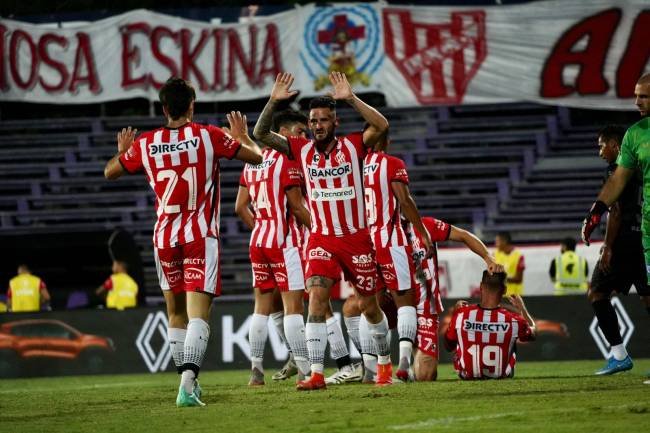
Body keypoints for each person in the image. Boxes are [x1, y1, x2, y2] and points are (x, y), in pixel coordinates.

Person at [104, 77, 262, 407]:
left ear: (163, 109)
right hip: (199, 236)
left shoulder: (146, 143)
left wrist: (123, 153)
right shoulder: (209, 135)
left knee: (175, 313)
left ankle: (186, 382)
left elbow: (110, 172)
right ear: (192, 105)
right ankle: (188, 386)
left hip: (165, 238)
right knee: (199, 315)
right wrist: (243, 137)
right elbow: (258, 159)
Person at [254, 72, 392, 390]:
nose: (317, 125)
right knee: (316, 298)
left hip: (356, 238)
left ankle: (384, 363)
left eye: (324, 120)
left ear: (335, 123)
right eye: (313, 120)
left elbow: (382, 126)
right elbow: (261, 133)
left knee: (369, 307)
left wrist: (351, 98)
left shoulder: (354, 145)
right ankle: (316, 373)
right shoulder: (300, 149)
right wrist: (274, 101)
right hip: (321, 238)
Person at [235, 110, 312, 385]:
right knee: (293, 307)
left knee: (261, 308)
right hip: (283, 241)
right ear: (283, 133)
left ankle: (256, 371)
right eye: (299, 132)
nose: (304, 137)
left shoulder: (252, 163)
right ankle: (304, 369)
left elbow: (239, 206)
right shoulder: (287, 161)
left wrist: (260, 226)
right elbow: (296, 207)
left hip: (258, 241)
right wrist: (319, 229)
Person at [361, 134, 433, 382]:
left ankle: (371, 369)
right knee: (405, 302)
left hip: (365, 242)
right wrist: (422, 233)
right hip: (391, 241)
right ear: (386, 140)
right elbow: (404, 200)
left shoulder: (356, 166)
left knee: (370, 304)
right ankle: (404, 364)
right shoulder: (392, 163)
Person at [585, 124, 649, 375]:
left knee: (597, 292)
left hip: (625, 242)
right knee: (648, 297)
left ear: (615, 146)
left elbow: (616, 210)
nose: (600, 152)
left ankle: (619, 354)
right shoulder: (643, 166)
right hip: (644, 238)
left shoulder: (618, 169)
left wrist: (608, 246)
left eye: (602, 146)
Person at [406, 217, 502, 381]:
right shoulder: (378, 231)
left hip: (424, 306)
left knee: (426, 376)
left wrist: (488, 257)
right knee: (357, 307)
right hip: (395, 302)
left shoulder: (425, 226)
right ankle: (375, 367)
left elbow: (463, 235)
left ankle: (409, 372)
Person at [444, 271, 536, 380]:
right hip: (501, 377)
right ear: (504, 290)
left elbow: (448, 346)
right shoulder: (514, 320)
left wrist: (455, 314)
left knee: (459, 335)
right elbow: (533, 333)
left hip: (467, 377)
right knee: (514, 339)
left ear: (481, 286)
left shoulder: (462, 314)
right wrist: (522, 309)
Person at [494, 231, 525, 296]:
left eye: (497, 242)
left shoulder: (518, 256)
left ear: (504, 242)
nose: (495, 244)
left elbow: (519, 279)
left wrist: (501, 278)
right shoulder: (495, 254)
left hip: (515, 296)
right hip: (499, 296)